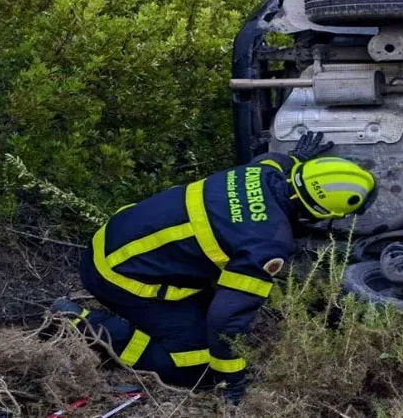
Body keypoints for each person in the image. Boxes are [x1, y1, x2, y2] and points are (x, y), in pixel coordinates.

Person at [52, 132, 374, 403]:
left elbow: (276, 160)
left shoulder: (267, 170)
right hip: (117, 276)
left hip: (116, 239)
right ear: (318, 212)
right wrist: (232, 380)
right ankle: (84, 325)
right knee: (195, 367)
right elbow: (226, 318)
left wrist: (298, 157)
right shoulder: (268, 242)